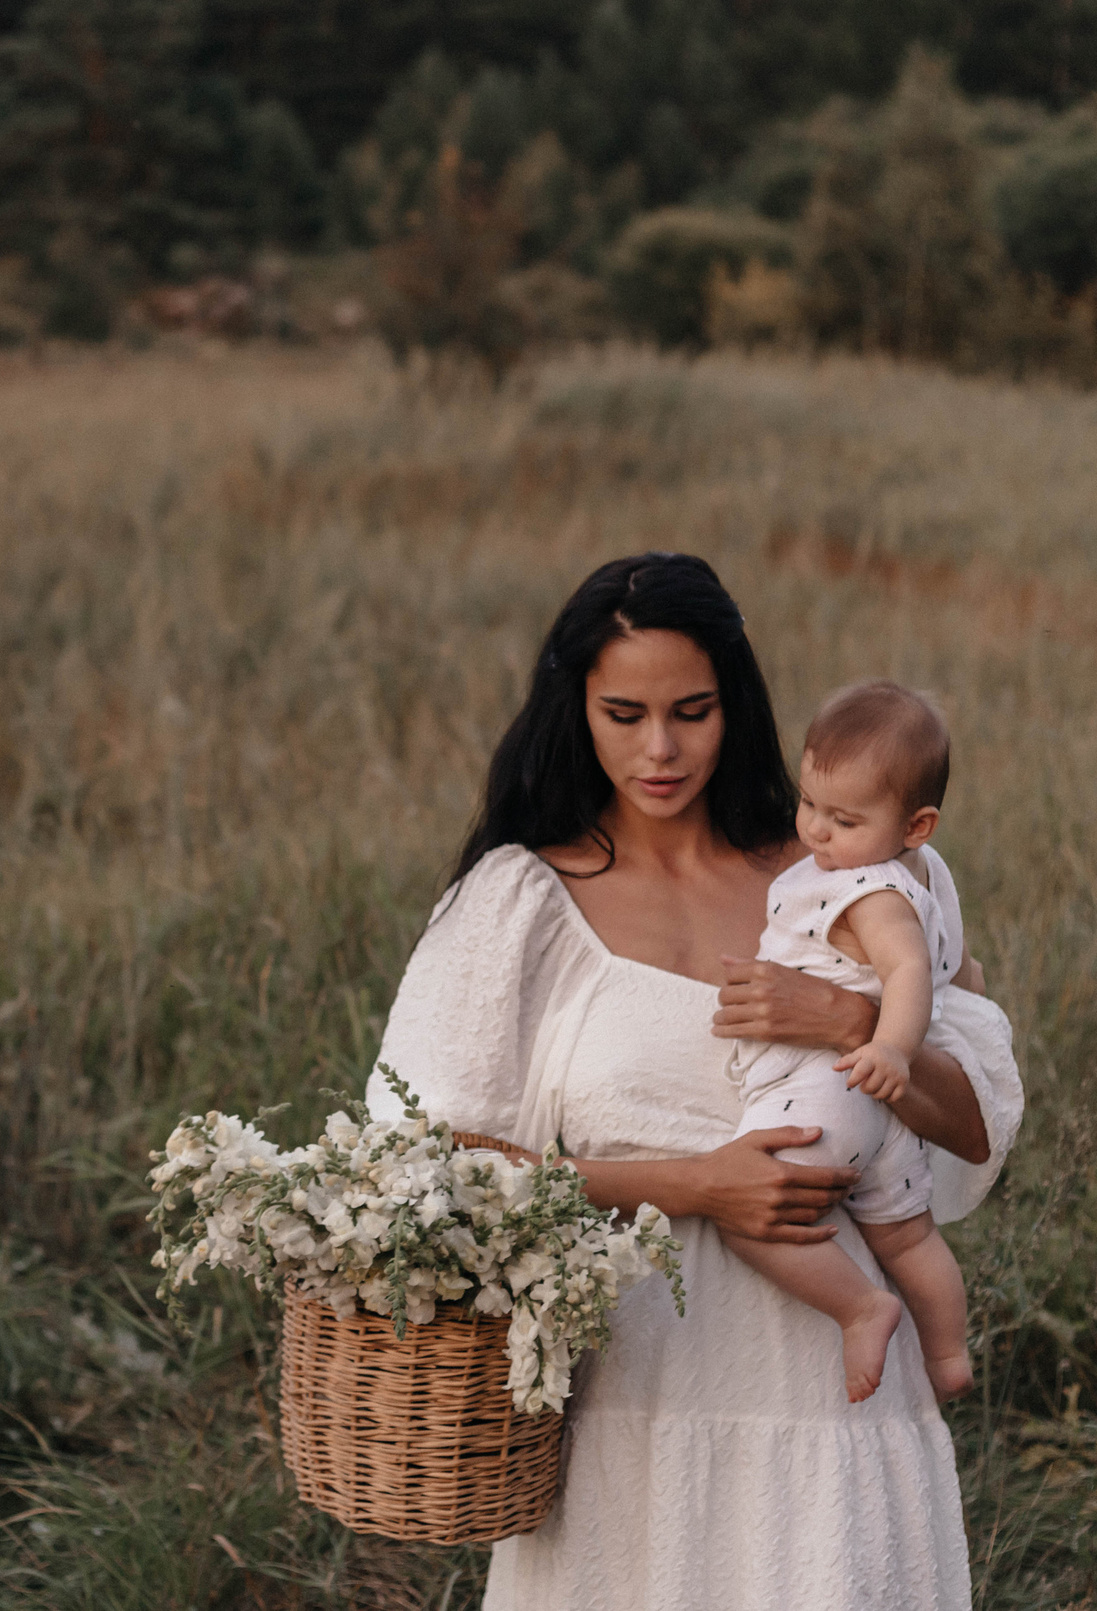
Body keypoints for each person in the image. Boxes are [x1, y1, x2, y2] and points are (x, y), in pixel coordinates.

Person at [363, 552, 1021, 1611]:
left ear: (739, 705)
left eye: (692, 711)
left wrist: (848, 1018)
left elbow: (972, 1123)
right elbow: (423, 1169)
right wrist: (693, 1183)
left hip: (836, 1415)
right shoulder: (515, 901)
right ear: (573, 707)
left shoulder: (842, 870)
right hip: (629, 1411)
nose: (659, 749)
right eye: (622, 714)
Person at [721, 681, 973, 1407]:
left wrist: (892, 1047)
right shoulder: (925, 876)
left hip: (830, 1088)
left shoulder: (864, 891)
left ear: (917, 823)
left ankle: (860, 1307)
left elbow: (908, 969)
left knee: (751, 1216)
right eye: (809, 804)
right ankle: (949, 1352)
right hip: (881, 1113)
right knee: (910, 1239)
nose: (817, 831)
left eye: (844, 818)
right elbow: (958, 966)